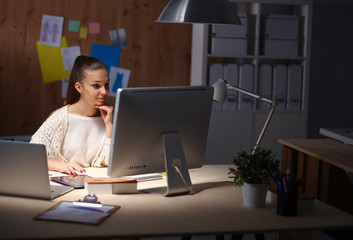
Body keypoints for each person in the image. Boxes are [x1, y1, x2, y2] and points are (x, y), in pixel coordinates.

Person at [30, 55, 114, 175]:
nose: (104, 91)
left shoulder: (109, 118)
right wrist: (60, 166)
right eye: (96, 86)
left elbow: (112, 162)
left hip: (97, 184)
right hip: (64, 184)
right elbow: (31, 157)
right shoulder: (60, 118)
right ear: (79, 87)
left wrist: (109, 126)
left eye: (106, 85)